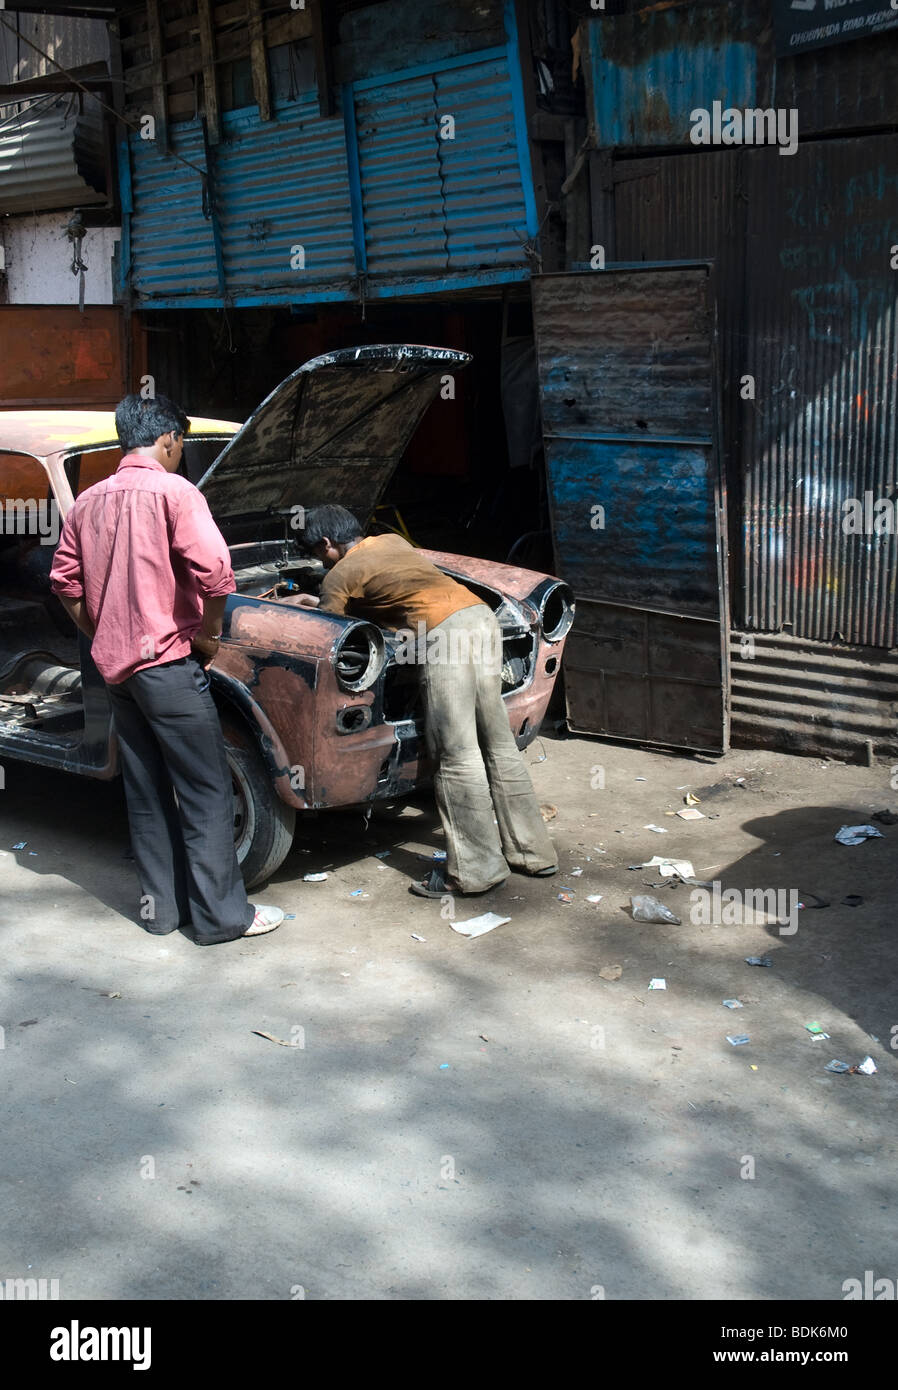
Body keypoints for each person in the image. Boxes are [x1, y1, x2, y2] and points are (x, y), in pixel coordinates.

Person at [50, 393, 284, 945]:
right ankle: (223, 919)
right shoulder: (175, 491)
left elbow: (64, 583)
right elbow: (217, 573)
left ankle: (161, 913)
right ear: (169, 439)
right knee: (205, 791)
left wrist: (102, 632)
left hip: (120, 674)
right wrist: (209, 633)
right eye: (180, 444)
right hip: (168, 668)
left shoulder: (89, 500)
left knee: (147, 791)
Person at [299, 505, 557, 897]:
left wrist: (308, 602)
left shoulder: (339, 575)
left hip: (444, 634)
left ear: (327, 544)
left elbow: (328, 629)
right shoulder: (390, 541)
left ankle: (476, 871)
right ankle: (532, 854)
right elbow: (394, 595)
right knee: (498, 743)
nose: (319, 561)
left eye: (317, 555)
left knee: (456, 753)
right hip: (480, 619)